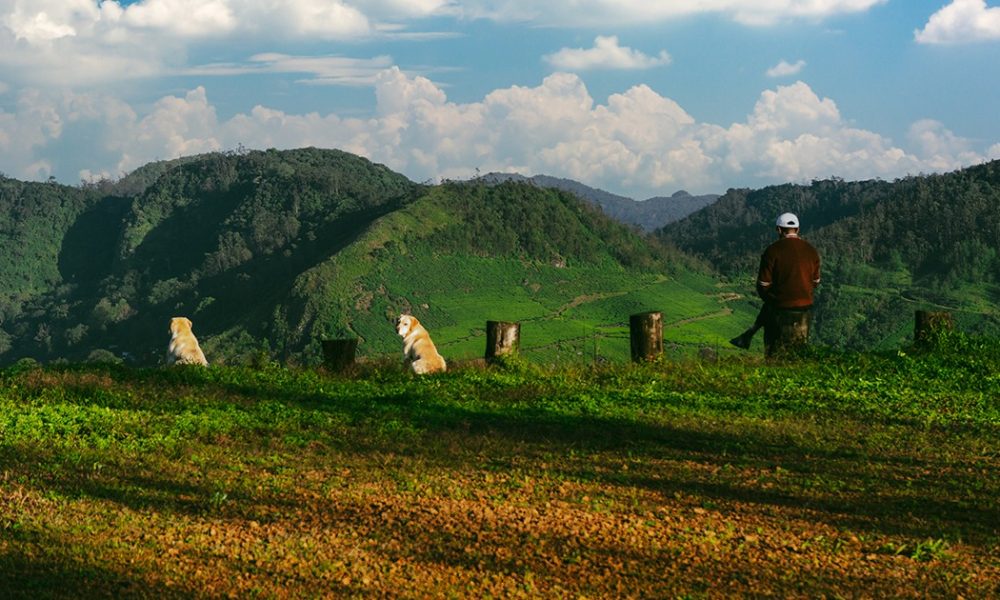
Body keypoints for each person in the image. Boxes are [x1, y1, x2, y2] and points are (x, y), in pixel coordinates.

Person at [730, 212, 820, 350]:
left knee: (774, 349)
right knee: (799, 350)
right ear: (798, 229)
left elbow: (763, 285)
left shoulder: (772, 251)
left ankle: (749, 334)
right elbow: (815, 282)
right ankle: (748, 335)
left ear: (778, 230)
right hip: (805, 306)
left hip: (780, 307)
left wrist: (772, 299)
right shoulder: (811, 251)